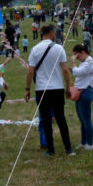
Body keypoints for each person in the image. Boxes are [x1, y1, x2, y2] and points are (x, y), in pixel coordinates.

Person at [26, 24, 74, 156]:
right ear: (52, 33)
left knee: (46, 120)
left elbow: (30, 72)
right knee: (61, 118)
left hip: (42, 89)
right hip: (57, 88)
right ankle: (68, 148)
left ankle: (50, 149)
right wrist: (68, 87)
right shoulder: (59, 48)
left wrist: (27, 89)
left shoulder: (35, 49)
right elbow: (65, 70)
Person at [71, 43, 93, 151]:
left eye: (77, 56)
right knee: (82, 120)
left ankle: (90, 143)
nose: (77, 59)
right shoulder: (85, 62)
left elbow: (78, 73)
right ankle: (83, 143)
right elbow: (79, 73)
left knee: (86, 120)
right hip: (80, 92)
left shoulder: (89, 62)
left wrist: (73, 63)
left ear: (82, 52)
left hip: (86, 92)